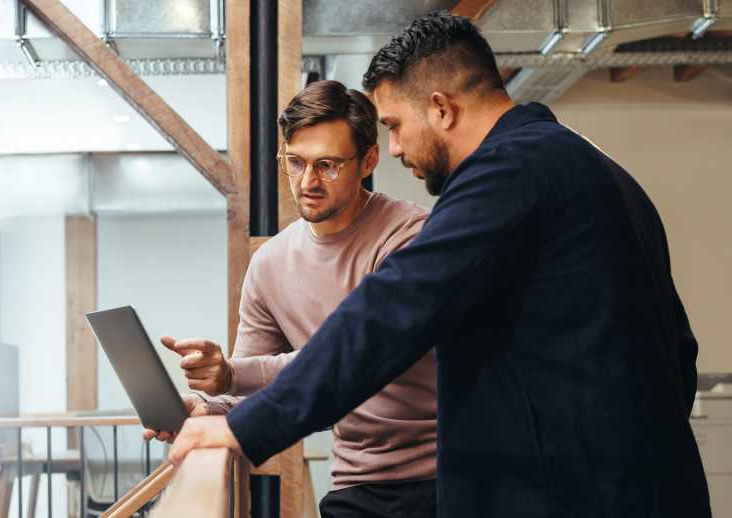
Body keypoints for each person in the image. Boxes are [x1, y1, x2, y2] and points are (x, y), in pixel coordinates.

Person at [166, 11, 711, 518]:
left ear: (441, 108)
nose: (397, 148)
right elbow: (678, 349)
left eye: (396, 125)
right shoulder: (594, 167)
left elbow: (391, 313)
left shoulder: (507, 176)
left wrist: (244, 428)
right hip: (648, 487)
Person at [146, 79, 438, 517]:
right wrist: (208, 406)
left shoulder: (408, 239)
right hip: (357, 481)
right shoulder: (270, 264)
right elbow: (251, 388)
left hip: (444, 475)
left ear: (368, 161)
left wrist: (232, 375)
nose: (308, 181)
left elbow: (350, 361)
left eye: (328, 165)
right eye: (295, 162)